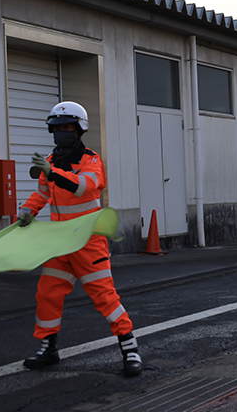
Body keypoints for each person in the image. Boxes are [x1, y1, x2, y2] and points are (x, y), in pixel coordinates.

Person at [17, 101, 142, 376]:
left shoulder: (91, 160)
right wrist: (28, 209)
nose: (62, 131)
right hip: (60, 244)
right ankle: (48, 348)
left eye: (67, 127)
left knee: (104, 297)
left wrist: (54, 174)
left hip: (88, 242)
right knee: (47, 294)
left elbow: (83, 186)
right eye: (57, 127)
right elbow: (42, 193)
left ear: (79, 129)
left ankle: (130, 348)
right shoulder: (49, 162)